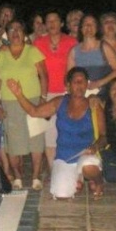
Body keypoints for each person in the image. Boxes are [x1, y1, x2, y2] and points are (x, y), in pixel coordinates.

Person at [7, 68, 106, 199]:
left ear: (87, 85)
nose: (79, 84)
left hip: (86, 155)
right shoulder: (60, 102)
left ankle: (98, 182)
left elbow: (104, 137)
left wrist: (95, 147)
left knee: (89, 167)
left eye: (82, 81)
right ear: (68, 85)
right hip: (64, 158)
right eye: (76, 81)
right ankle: (78, 179)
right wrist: (19, 94)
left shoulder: (94, 105)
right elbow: (34, 112)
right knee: (61, 194)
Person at [0, 19, 48, 190]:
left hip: (34, 101)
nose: (15, 33)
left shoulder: (32, 51)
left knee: (36, 140)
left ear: (24, 33)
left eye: (19, 29)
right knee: (13, 143)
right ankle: (17, 177)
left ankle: (36, 176)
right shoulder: (1, 54)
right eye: (11, 30)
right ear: (7, 34)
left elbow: (44, 75)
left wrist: (43, 100)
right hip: (10, 103)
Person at [33, 11, 78, 179]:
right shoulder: (38, 43)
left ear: (61, 23)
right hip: (46, 94)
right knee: (50, 135)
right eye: (48, 21)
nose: (52, 24)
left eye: (55, 20)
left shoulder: (72, 41)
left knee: (67, 133)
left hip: (67, 93)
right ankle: (54, 172)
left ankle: (70, 169)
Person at [67, 14, 116, 97]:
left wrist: (99, 82)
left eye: (92, 24)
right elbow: (69, 76)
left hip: (103, 94)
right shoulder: (74, 51)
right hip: (82, 96)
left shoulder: (104, 47)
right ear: (81, 29)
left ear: (97, 28)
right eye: (85, 24)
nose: (89, 26)